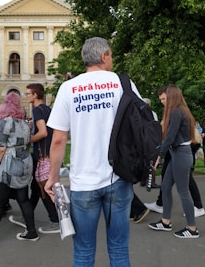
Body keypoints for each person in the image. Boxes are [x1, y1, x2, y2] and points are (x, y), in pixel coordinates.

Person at [45, 37, 136, 266]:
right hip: (119, 177)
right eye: (111, 55)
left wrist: (53, 178)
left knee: (84, 251)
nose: (112, 60)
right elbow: (140, 126)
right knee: (119, 248)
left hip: (83, 183)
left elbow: (58, 140)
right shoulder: (123, 83)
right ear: (104, 56)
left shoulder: (68, 88)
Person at [0, 92, 38, 248]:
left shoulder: (5, 123)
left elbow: (0, 150)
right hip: (24, 164)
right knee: (23, 199)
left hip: (8, 167)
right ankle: (31, 231)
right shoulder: (24, 123)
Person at [145, 86, 205, 218]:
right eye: (160, 99)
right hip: (176, 150)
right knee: (167, 185)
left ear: (171, 96)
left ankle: (193, 223)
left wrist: (159, 156)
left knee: (183, 188)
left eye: (163, 99)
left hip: (180, 151)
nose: (162, 102)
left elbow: (170, 136)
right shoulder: (178, 111)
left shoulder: (176, 112)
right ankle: (164, 215)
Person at [9, 83, 59, 234]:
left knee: (43, 188)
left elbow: (43, 132)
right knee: (37, 189)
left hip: (41, 155)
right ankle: (27, 216)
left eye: (28, 94)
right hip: (49, 153)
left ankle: (55, 220)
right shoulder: (47, 109)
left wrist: (27, 140)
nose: (27, 96)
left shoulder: (37, 110)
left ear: (35, 95)